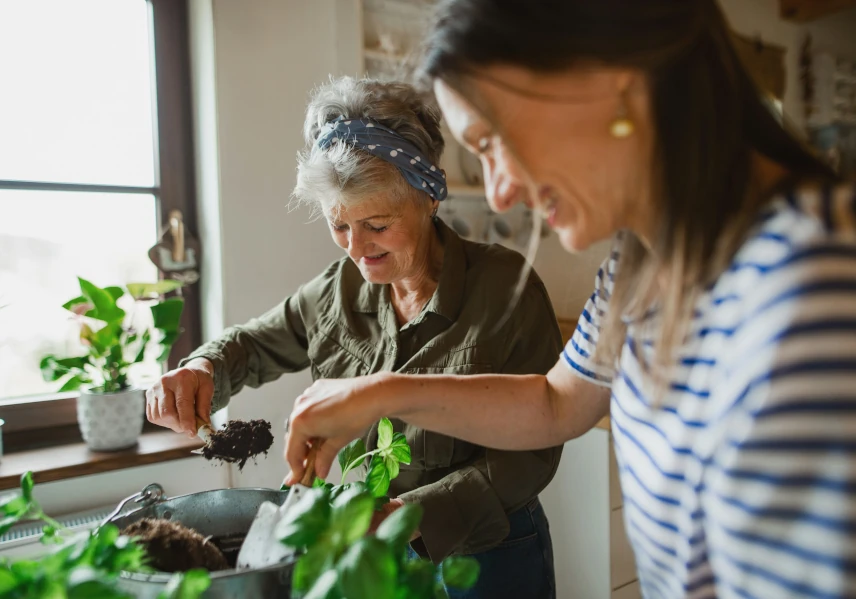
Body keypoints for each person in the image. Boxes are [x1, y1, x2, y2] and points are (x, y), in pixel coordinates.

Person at [283, 2, 856, 598]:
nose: (500, 194)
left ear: (613, 85)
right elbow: (557, 402)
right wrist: (379, 394)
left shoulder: (814, 285)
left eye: (492, 141)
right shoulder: (638, 267)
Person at [146, 76, 563, 599]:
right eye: (339, 226)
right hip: (373, 550)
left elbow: (533, 453)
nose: (357, 248)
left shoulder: (505, 288)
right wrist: (200, 367)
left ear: (428, 198)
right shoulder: (333, 293)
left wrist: (410, 515)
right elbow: (251, 345)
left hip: (487, 556)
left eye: (378, 225)